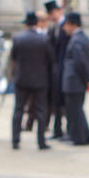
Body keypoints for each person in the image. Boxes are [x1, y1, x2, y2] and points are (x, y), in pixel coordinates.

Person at [9, 12, 53, 150]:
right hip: (40, 80)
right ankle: (41, 141)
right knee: (41, 111)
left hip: (22, 79)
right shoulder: (44, 39)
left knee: (18, 110)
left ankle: (15, 140)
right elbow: (51, 59)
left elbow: (13, 57)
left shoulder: (18, 38)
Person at [60, 11, 89, 146]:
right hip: (77, 81)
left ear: (72, 25)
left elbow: (81, 62)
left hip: (74, 81)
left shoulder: (76, 40)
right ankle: (86, 136)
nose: (64, 28)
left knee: (75, 111)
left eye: (66, 25)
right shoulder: (83, 38)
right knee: (78, 110)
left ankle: (79, 138)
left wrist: (87, 78)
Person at [45, 0, 69, 140]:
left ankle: (66, 130)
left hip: (64, 69)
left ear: (58, 11)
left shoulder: (66, 26)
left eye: (52, 13)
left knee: (64, 102)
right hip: (56, 70)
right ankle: (57, 129)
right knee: (56, 100)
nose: (51, 17)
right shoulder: (54, 28)